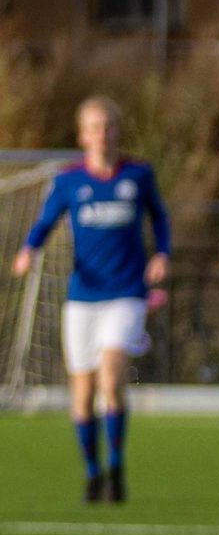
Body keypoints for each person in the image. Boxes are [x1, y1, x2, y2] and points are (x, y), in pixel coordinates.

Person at [12, 96, 168, 504]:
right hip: (83, 297)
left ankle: (116, 467)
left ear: (117, 131)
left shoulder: (138, 174)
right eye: (94, 127)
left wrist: (161, 254)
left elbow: (159, 217)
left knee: (111, 379)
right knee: (81, 395)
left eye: (108, 126)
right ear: (82, 136)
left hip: (127, 293)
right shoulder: (69, 181)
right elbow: (46, 222)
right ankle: (92, 472)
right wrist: (29, 250)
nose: (102, 134)